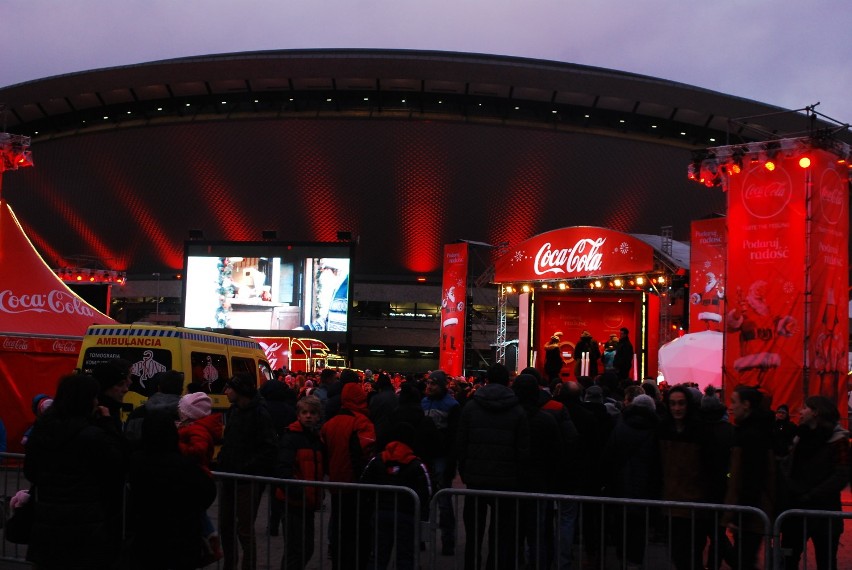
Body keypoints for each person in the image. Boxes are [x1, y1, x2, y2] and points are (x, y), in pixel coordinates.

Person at [23, 374, 125, 570]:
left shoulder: (42, 430)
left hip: (47, 521)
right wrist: (107, 423)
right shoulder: (92, 435)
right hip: (85, 523)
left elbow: (30, 471)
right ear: (85, 400)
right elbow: (117, 464)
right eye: (94, 397)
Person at [457, 363, 530, 570]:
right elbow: (522, 448)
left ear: (486, 379)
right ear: (507, 380)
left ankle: (471, 565)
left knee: (474, 533)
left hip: (475, 479)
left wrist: (464, 470)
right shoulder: (517, 410)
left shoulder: (471, 406)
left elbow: (461, 443)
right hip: (506, 480)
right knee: (500, 533)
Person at [126, 411, 217, 570]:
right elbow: (207, 492)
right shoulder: (185, 466)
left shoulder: (136, 461)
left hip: (147, 535)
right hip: (183, 539)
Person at [216, 374, 279, 570]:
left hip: (247, 479)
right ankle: (230, 563)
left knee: (244, 529)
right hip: (230, 476)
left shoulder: (260, 413)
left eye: (229, 388)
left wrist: (247, 467)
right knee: (226, 526)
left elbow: (269, 448)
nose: (225, 392)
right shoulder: (235, 409)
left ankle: (248, 565)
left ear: (240, 390)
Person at [781, 396, 850, 570]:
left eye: (805, 408)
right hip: (796, 510)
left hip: (824, 512)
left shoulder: (838, 439)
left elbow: (841, 475)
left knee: (825, 561)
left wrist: (811, 494)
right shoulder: (799, 437)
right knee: (788, 559)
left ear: (816, 412)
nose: (800, 412)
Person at [361, 422, 432, 570]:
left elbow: (364, 483)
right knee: (405, 557)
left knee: (378, 556)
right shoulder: (416, 464)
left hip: (380, 512)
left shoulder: (378, 460)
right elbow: (426, 491)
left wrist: (371, 504)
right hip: (406, 514)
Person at [321, 381, 376, 570]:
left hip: (336, 484)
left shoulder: (330, 424)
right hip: (357, 485)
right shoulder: (362, 422)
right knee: (359, 533)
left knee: (339, 530)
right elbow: (367, 453)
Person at [723, 385, 776, 570]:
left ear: (746, 405)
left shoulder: (751, 435)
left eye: (734, 402)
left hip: (750, 512)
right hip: (751, 511)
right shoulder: (754, 430)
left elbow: (752, 478)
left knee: (744, 560)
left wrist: (741, 516)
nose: (730, 406)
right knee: (744, 559)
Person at [276, 395, 326, 570]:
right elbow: (283, 468)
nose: (308, 416)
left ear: (318, 415)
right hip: (293, 502)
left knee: (306, 548)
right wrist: (297, 490)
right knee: (296, 550)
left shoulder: (317, 439)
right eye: (304, 412)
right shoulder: (291, 437)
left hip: (307, 502)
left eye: (312, 413)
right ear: (298, 415)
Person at [177, 391, 225, 563]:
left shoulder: (197, 430)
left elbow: (198, 450)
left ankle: (209, 543)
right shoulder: (193, 427)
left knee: (194, 512)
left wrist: (178, 446)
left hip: (195, 477)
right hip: (195, 477)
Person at [421, 369, 461, 556]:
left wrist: (451, 464)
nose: (429, 386)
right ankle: (421, 538)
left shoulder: (452, 405)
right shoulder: (424, 402)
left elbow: (454, 438)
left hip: (441, 458)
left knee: (444, 502)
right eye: (428, 383)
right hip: (425, 457)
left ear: (442, 385)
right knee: (422, 500)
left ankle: (448, 541)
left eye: (433, 383)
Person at [124, 369, 183, 442]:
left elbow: (129, 440)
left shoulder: (138, 413)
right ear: (181, 390)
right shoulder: (187, 415)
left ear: (158, 387)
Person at [92, 358, 132, 431]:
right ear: (106, 386)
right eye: (120, 384)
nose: (126, 389)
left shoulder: (112, 409)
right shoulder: (98, 416)